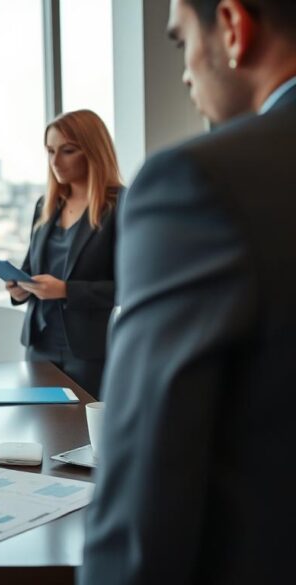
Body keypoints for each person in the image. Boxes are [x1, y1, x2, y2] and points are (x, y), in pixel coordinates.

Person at [81, 0, 296, 582]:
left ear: (232, 26)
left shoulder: (198, 182)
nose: (184, 71)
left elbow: (147, 491)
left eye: (181, 43)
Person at [7, 109, 123, 398]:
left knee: (85, 435)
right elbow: (29, 268)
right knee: (42, 431)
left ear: (93, 152)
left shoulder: (121, 206)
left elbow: (131, 287)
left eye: (67, 151)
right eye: (49, 151)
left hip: (89, 350)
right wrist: (19, 289)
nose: (55, 162)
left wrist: (66, 290)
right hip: (39, 345)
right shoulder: (45, 205)